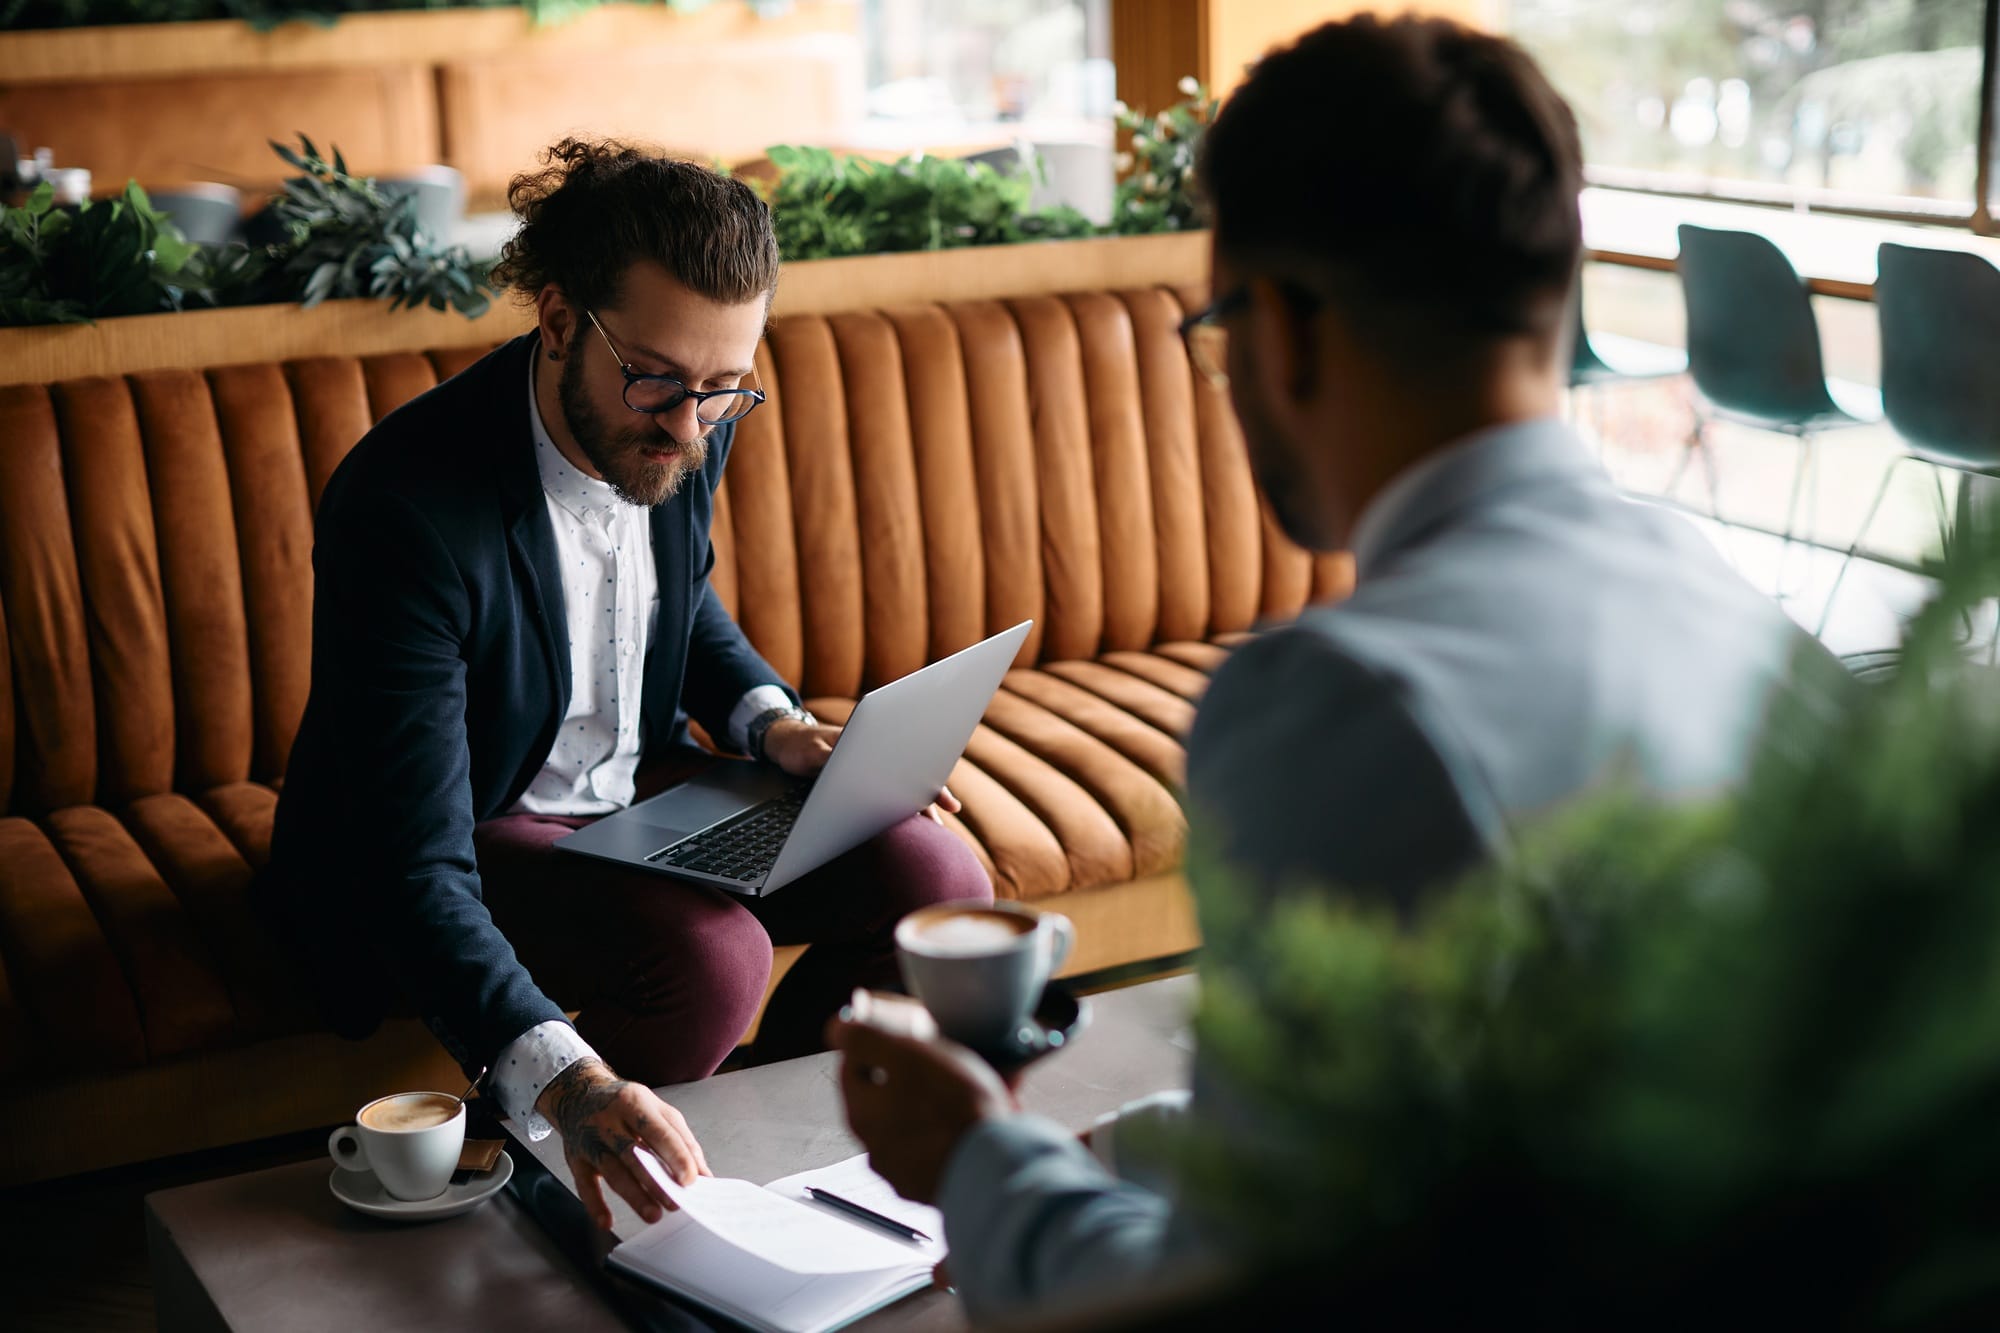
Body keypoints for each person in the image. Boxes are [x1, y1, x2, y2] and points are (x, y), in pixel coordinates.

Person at [829, 15, 1846, 1324]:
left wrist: (976, 1164)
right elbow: (1469, 1125)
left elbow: (1228, 1297)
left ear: (1289, 327)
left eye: (1216, 330)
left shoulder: (1343, 700)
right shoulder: (1745, 613)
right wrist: (1131, 1153)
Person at [257, 140, 991, 1232]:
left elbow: (675, 601)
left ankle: (758, 1161)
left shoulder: (677, 412)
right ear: (558, 321)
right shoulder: (404, 506)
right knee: (709, 959)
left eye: (722, 389)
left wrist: (776, 724)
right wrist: (574, 1080)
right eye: (656, 378)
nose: (690, 426)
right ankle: (547, 1189)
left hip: (633, 798)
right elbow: (411, 859)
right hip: (478, 817)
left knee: (938, 878)